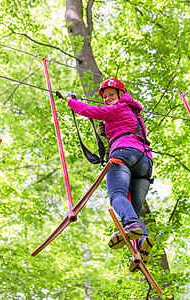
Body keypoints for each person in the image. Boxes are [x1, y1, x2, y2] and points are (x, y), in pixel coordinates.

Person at [64, 78, 154, 272]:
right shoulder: (134, 113)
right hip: (145, 164)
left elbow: (88, 111)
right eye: (104, 97)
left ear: (121, 94)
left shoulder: (119, 108)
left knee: (117, 196)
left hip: (124, 153)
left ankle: (130, 226)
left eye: (111, 94)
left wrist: (70, 101)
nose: (106, 99)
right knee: (132, 211)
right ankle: (142, 243)